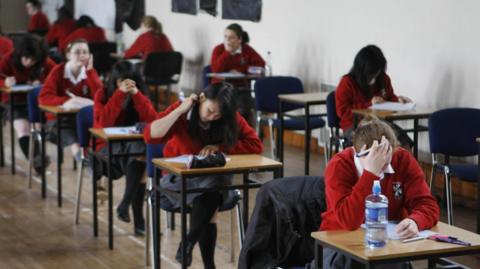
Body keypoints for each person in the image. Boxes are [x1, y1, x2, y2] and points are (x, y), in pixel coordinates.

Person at [144, 82, 263, 268]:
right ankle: (205, 261)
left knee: (213, 188)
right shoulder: (184, 112)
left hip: (213, 182)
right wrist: (179, 111)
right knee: (212, 194)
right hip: (179, 180)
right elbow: (151, 135)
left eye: (219, 114)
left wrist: (220, 148)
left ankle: (189, 242)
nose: (213, 117)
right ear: (201, 99)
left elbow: (256, 145)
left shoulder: (228, 117)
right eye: (210, 110)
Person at [320, 119, 439, 269]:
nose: (383, 162)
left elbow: (427, 204)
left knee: (389, 262)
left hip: (386, 246)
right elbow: (348, 221)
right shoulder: (339, 165)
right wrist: (370, 174)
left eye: (387, 154)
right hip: (340, 244)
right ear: (357, 153)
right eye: (375, 156)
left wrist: (416, 221)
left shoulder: (402, 159)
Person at [93, 61, 157, 235]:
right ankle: (137, 219)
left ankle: (125, 205)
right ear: (114, 81)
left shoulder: (140, 93)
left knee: (142, 152)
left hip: (131, 145)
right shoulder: (102, 93)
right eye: (121, 82)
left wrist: (137, 95)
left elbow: (153, 120)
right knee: (141, 157)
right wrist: (119, 95)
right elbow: (103, 124)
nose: (125, 86)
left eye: (129, 82)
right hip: (106, 147)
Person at [335, 45, 413, 147]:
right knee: (374, 143)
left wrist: (399, 100)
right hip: (354, 125)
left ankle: (406, 162)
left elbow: (389, 98)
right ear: (362, 70)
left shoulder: (383, 78)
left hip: (381, 123)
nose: (375, 76)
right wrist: (369, 105)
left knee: (403, 141)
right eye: (372, 72)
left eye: (378, 71)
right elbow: (342, 111)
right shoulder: (347, 82)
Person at [38, 39, 102, 162]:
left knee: (97, 139)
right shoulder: (58, 71)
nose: (82, 55)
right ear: (68, 55)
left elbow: (100, 97)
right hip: (59, 122)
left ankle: (97, 171)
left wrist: (90, 72)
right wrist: (66, 101)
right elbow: (43, 98)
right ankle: (92, 172)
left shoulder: (90, 73)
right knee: (76, 141)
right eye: (77, 52)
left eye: (85, 52)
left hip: (81, 120)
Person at [0, 34, 56, 174]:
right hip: (15, 102)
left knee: (38, 128)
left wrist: (43, 84)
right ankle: (38, 162)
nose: (29, 62)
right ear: (19, 54)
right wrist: (5, 83)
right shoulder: (9, 59)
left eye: (33, 60)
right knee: (23, 129)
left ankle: (41, 156)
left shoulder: (44, 61)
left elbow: (56, 76)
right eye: (26, 58)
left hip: (38, 102)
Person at [210, 23, 265, 126]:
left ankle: (241, 136)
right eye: (225, 37)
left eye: (231, 38)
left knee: (244, 109)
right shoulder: (219, 49)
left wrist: (241, 70)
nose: (227, 40)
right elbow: (216, 69)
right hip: (220, 88)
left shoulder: (247, 50)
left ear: (239, 39)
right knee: (223, 108)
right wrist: (227, 53)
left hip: (241, 89)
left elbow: (260, 64)